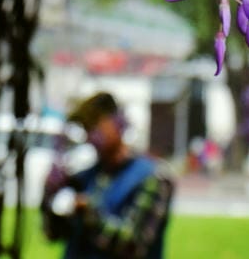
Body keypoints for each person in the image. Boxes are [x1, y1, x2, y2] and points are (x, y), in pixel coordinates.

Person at [42, 92, 173, 259]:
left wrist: (89, 212)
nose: (90, 135)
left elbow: (133, 245)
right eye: (86, 128)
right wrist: (49, 195)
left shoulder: (152, 178)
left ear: (116, 122)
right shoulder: (86, 177)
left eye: (94, 124)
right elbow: (53, 234)